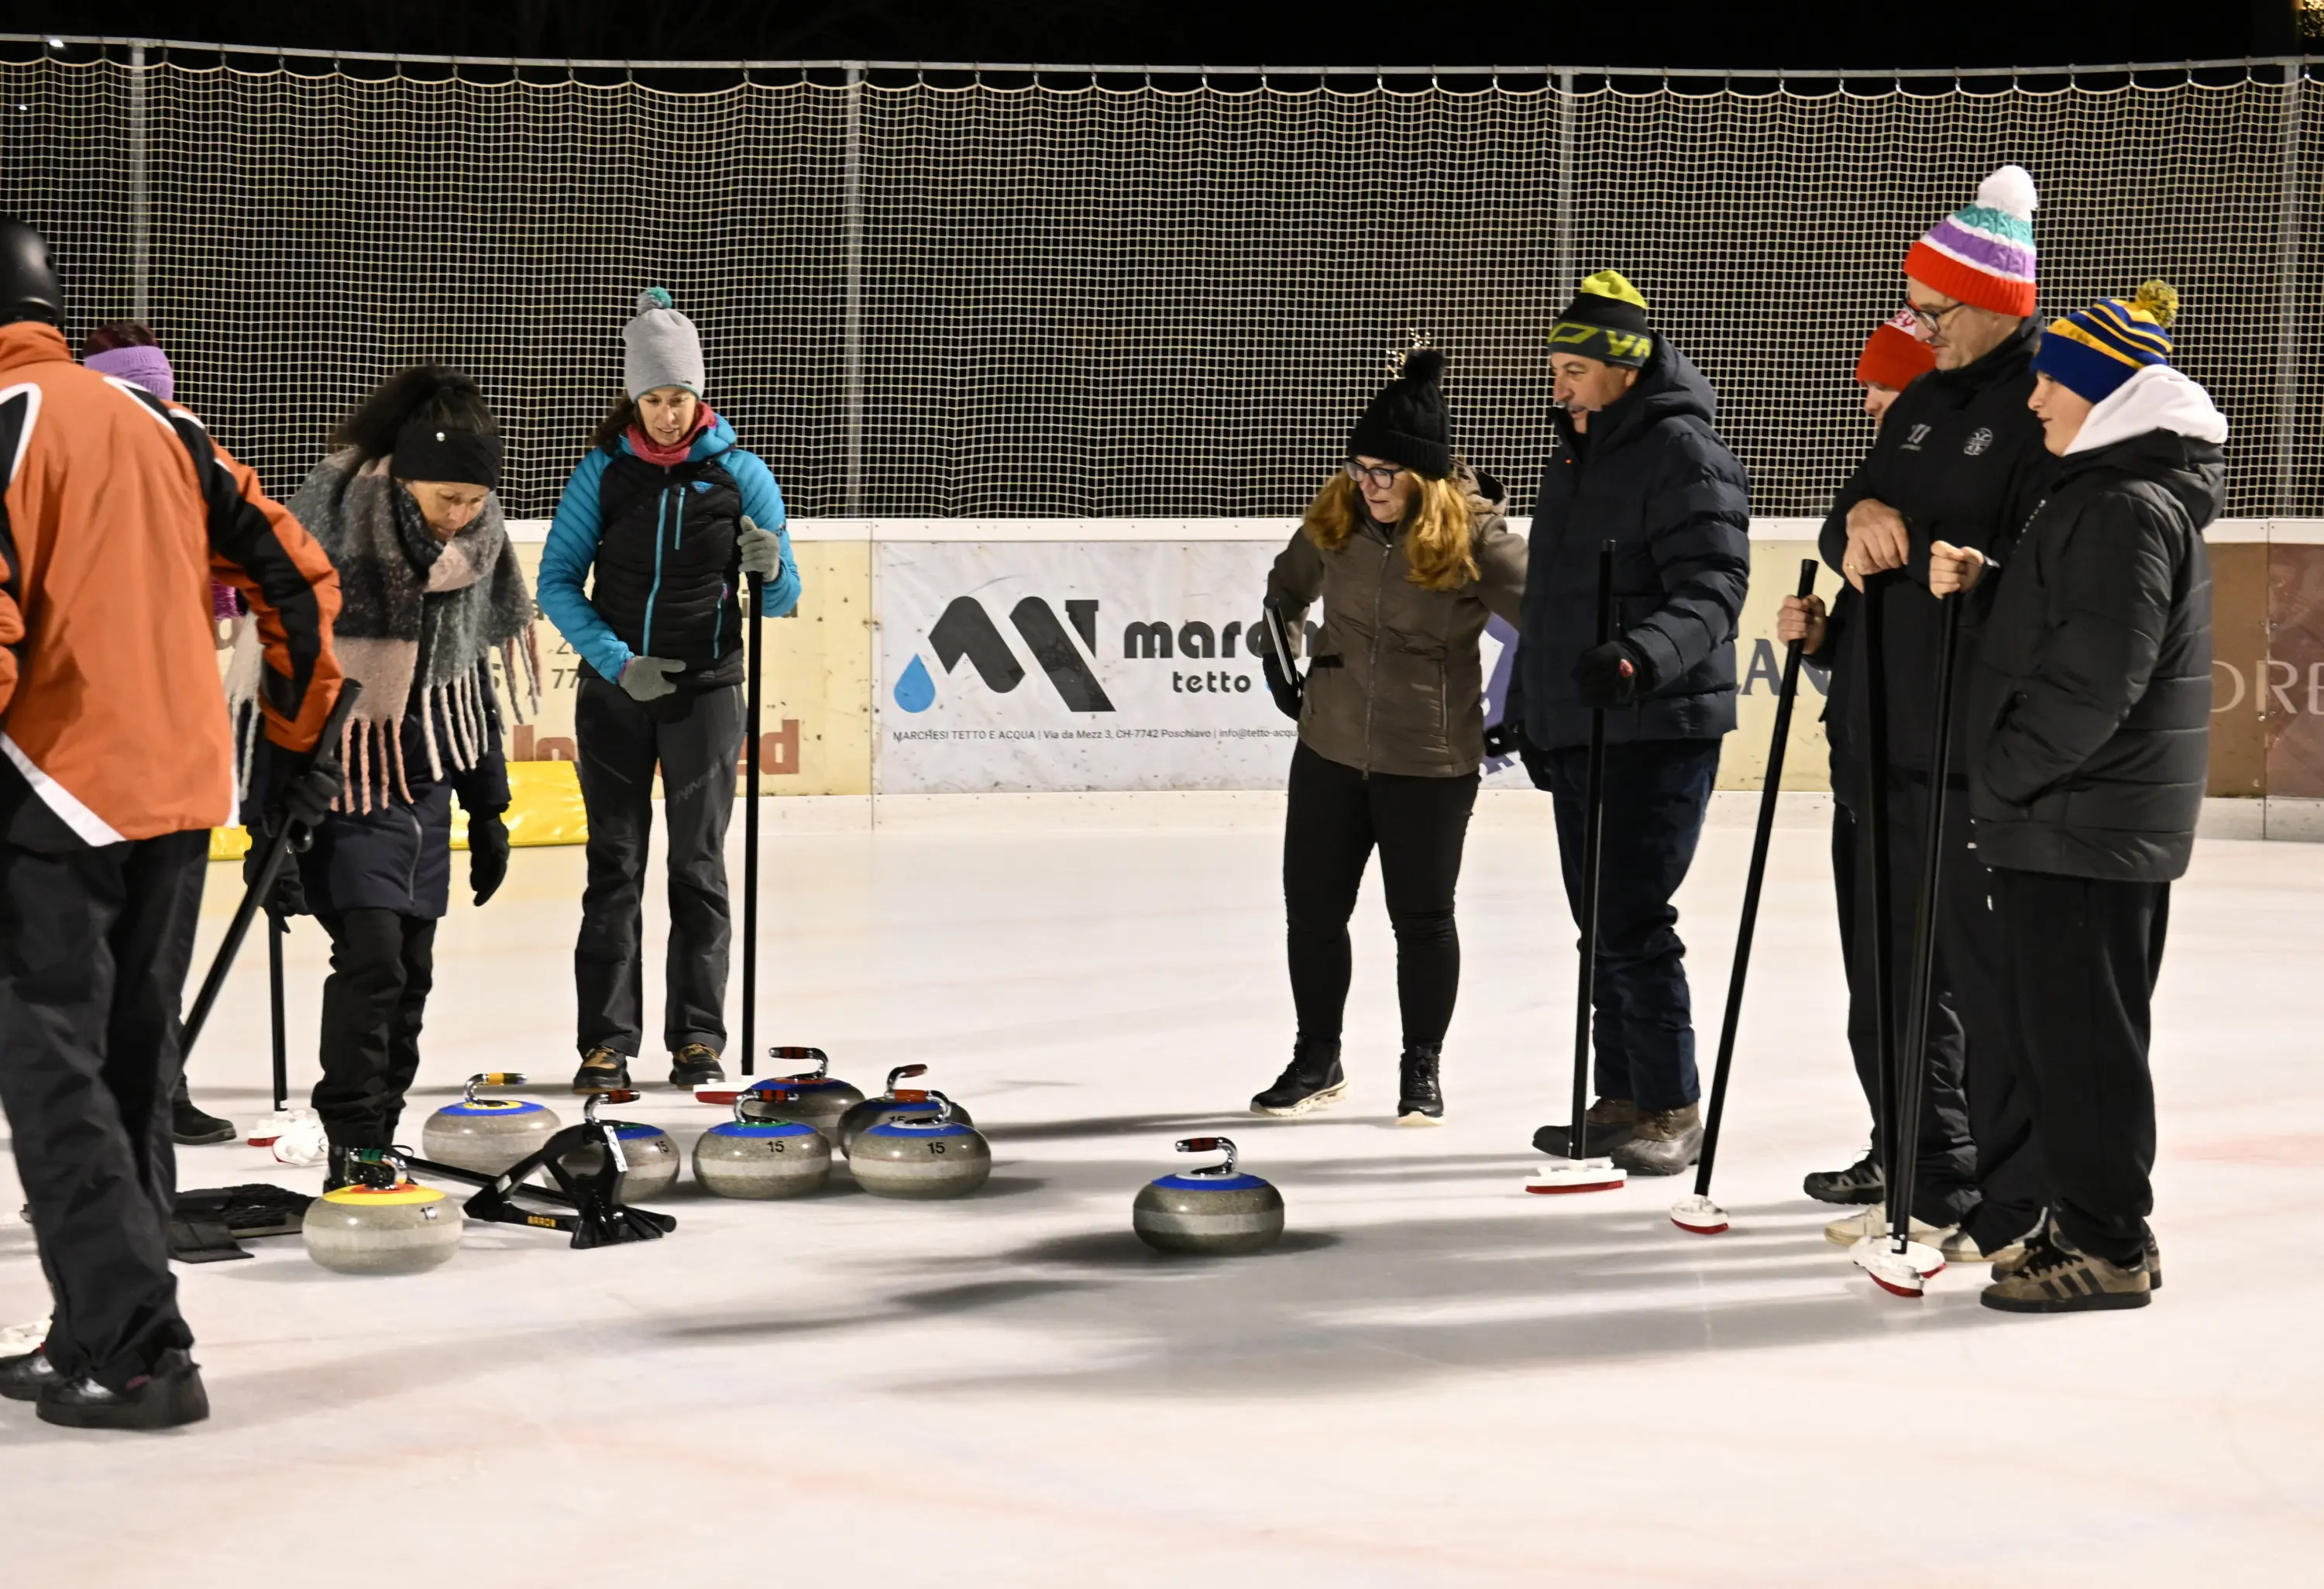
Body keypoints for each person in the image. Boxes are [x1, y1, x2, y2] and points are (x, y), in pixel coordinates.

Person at [0, 218, 342, 1429]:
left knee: (56, 1080)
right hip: (179, 793)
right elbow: (299, 578)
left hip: (49, 795)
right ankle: (93, 1326)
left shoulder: (7, 423)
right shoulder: (161, 423)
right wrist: (292, 743)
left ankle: (138, 1353)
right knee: (131, 1068)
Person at [1927, 282, 2221, 1311]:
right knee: (2069, 1038)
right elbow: (2072, 632)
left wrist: (2005, 773)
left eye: (2056, 381)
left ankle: (2107, 1245)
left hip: (2081, 820)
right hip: (2079, 818)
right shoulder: (2102, 493)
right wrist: (1996, 583)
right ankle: (2093, 1221)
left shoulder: (2123, 505)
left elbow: (2097, 680)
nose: (2036, 396)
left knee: (2085, 1044)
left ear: (2107, 396)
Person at [1805, 166, 2055, 1267]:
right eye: (1915, 307)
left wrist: (1948, 563)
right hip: (1878, 740)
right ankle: (1927, 1177)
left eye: (1937, 309)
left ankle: (2016, 1198)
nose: (1923, 327)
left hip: (1970, 749)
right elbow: (1841, 521)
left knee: (1985, 994)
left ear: (1997, 300)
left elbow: (2044, 566)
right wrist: (1858, 510)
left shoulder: (2042, 402)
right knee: (1888, 989)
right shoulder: (1919, 400)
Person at [237, 367, 538, 1190]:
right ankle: (352, 1135)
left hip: (426, 776)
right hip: (341, 777)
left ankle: (383, 1130)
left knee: (412, 969)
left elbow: (465, 679)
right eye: (448, 497)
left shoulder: (473, 547)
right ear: (407, 475)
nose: (462, 514)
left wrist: (489, 808)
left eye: (476, 499)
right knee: (371, 960)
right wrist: (267, 826)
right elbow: (280, 675)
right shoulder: (331, 523)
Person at [1503, 270, 1751, 1176]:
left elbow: (1715, 587)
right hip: (1587, 721)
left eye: (1574, 369)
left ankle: (1673, 1104)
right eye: (1556, 369)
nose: (1558, 385)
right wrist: (1530, 708)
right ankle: (1621, 1096)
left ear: (1625, 368)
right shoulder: (1575, 453)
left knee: (1633, 917)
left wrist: (1640, 655)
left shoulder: (1682, 448)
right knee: (1599, 922)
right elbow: (1551, 601)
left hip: (1659, 722)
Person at [1250, 345, 1527, 1124]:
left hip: (1429, 759)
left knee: (1423, 919)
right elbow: (1284, 591)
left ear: (1426, 477)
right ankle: (1317, 1057)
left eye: (1385, 472)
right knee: (1313, 912)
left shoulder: (1475, 537)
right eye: (1359, 467)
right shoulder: (1337, 515)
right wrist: (1282, 664)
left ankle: (1421, 1063)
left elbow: (1550, 619)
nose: (1366, 483)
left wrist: (1527, 706)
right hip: (1330, 748)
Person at [538, 288, 799, 1092]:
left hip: (706, 693)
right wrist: (620, 662)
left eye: (677, 397)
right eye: (651, 398)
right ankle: (606, 1043)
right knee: (615, 865)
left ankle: (698, 1038)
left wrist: (771, 568)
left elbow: (783, 598)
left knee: (699, 865)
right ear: (633, 399)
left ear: (698, 395)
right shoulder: (603, 472)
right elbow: (556, 582)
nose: (665, 413)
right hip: (617, 693)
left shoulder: (741, 474)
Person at [1773, 311, 1937, 1202]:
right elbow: (1879, 635)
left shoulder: (1943, 493)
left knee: (1925, 988)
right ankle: (1897, 1144)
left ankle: (1938, 1161)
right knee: (1875, 987)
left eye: (1882, 385)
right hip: (1864, 771)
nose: (1866, 399)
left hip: (1921, 777)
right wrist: (1825, 638)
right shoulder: (1883, 481)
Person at [78, 318, 246, 1149]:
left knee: (161, 934)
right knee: (92, 935)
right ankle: (90, 1099)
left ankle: (158, 1086)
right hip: (82, 747)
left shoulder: (191, 467)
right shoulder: (59, 476)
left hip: (174, 741)